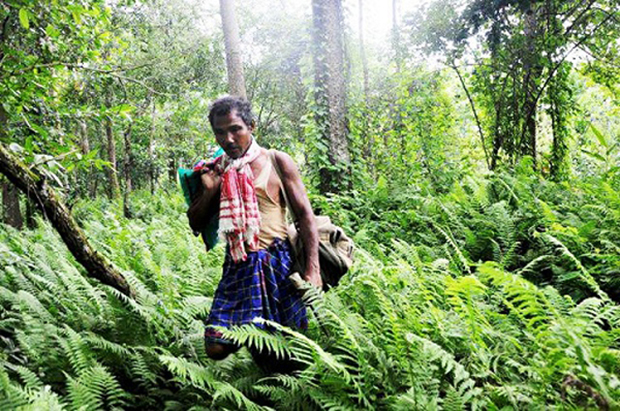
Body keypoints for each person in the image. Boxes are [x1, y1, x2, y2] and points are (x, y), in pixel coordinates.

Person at [187, 95, 321, 361]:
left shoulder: (277, 161)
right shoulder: (215, 169)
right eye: (220, 133)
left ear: (251, 126)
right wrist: (211, 191)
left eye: (236, 129)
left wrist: (312, 270)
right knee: (216, 346)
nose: (229, 139)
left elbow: (306, 216)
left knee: (287, 348)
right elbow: (195, 222)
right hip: (238, 265)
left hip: (277, 262)